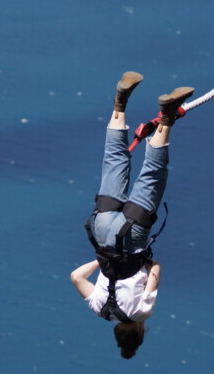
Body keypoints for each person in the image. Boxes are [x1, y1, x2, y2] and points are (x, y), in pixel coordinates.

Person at [70, 71, 194, 360]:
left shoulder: (142, 313)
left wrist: (139, 262)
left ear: (139, 331)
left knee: (152, 175)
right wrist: (103, 258)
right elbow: (76, 276)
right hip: (102, 234)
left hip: (132, 236)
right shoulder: (99, 310)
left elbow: (155, 270)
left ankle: (167, 116)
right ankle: (120, 101)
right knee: (114, 160)